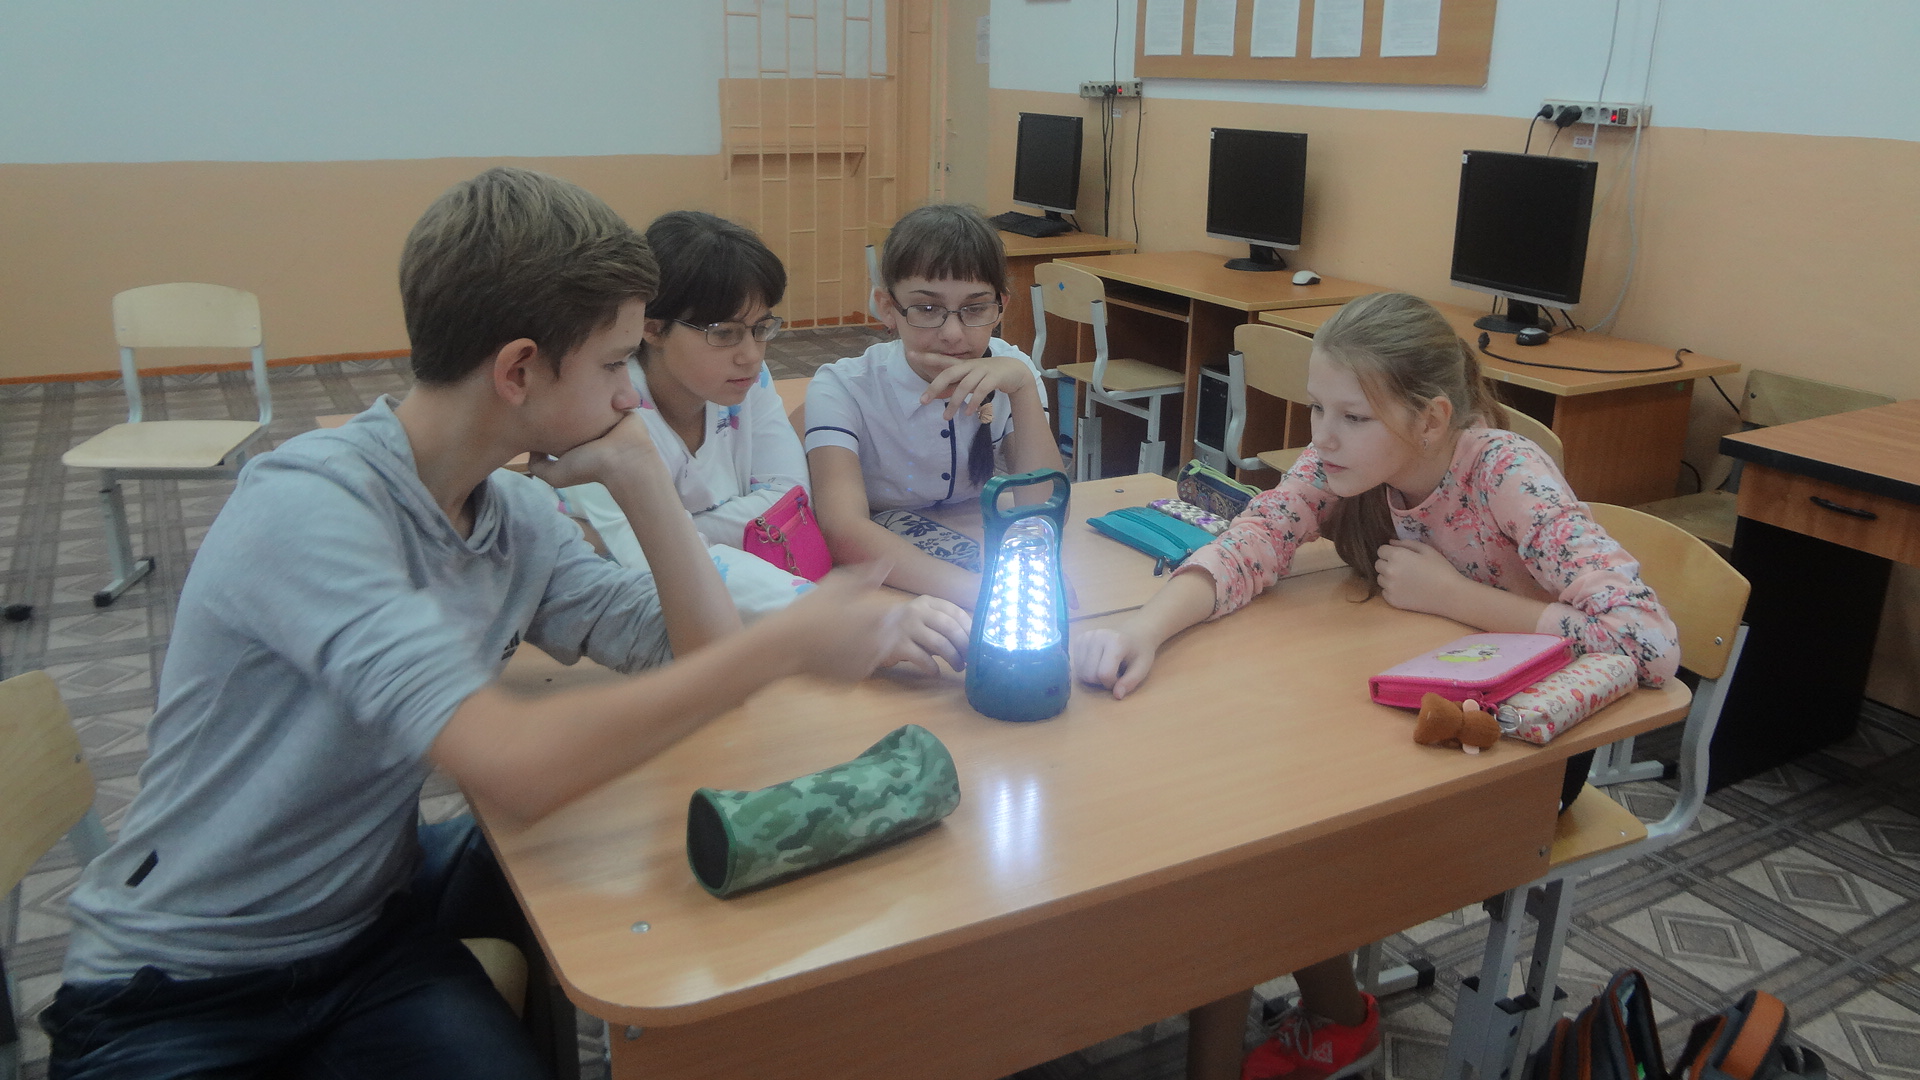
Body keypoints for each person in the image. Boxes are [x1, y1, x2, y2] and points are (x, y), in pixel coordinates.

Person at [41, 167, 906, 1080]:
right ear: (519, 370)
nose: (629, 397)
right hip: (175, 984)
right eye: (615, 365)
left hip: (367, 937)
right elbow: (517, 768)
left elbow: (700, 661)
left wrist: (642, 478)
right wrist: (791, 640)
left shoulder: (514, 517)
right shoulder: (312, 508)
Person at [1071, 291, 1680, 1080]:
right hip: (1412, 710)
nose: (1322, 437)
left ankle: (1319, 1016)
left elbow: (1648, 641)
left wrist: (1460, 600)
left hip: (1521, 753)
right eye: (1317, 408)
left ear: (1431, 419)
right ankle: (1333, 1012)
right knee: (1242, 825)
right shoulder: (1352, 461)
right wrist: (1144, 630)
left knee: (1252, 853)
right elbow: (1258, 536)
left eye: (1352, 417)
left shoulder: (1506, 473)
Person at [554, 210, 820, 620]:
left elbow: (792, 498)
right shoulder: (604, 415)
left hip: (725, 599)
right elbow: (661, 571)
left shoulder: (749, 380)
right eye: (724, 333)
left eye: (761, 328)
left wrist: (661, 531)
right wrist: (818, 610)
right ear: (651, 328)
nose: (751, 355)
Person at [804, 203, 1065, 609]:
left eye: (975, 308)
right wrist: (982, 594)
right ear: (887, 308)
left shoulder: (1013, 372)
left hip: (969, 546)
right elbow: (842, 530)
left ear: (1001, 307)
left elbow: (1043, 513)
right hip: (883, 575)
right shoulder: (842, 387)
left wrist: (1024, 390)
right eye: (927, 309)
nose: (953, 333)